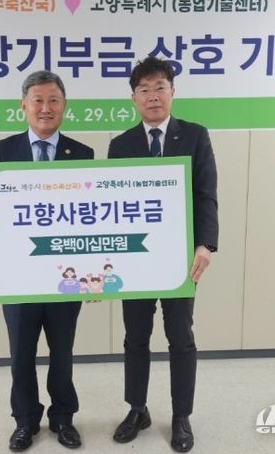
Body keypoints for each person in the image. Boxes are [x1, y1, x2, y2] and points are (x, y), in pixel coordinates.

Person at [0, 70, 94, 452]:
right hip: (17, 274)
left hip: (65, 275)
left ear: (64, 106)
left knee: (63, 352)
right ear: (23, 106)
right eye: (37, 100)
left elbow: (93, 216)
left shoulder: (83, 154)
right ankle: (25, 421)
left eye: (53, 100)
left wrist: (93, 272)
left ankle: (63, 418)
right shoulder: (3, 150)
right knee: (21, 354)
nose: (46, 108)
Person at [108, 56, 218, 453]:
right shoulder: (121, 145)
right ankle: (137, 409)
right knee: (135, 337)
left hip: (179, 260)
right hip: (136, 260)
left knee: (180, 338)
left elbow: (205, 194)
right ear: (134, 98)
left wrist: (205, 244)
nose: (153, 96)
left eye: (160, 88)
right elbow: (112, 205)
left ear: (173, 92)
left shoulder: (195, 136)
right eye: (144, 89)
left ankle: (181, 415)